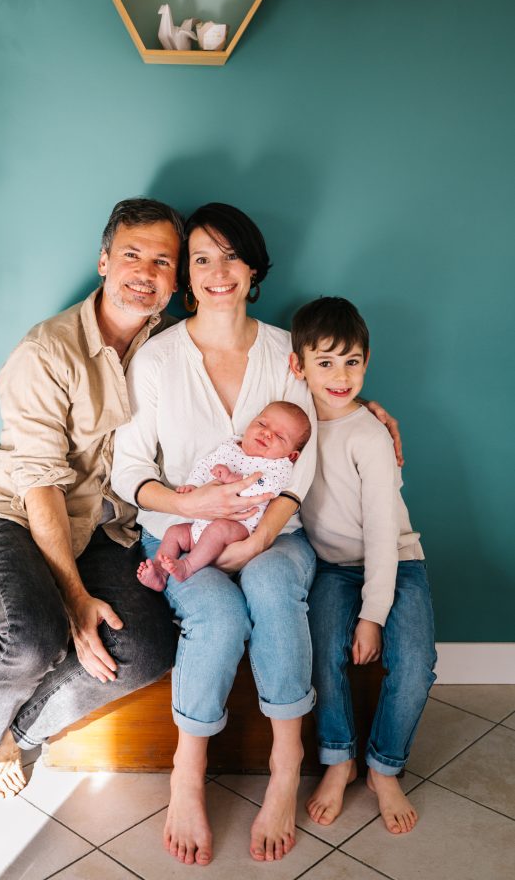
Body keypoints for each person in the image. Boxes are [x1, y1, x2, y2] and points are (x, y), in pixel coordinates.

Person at [112, 203, 402, 866]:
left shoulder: (284, 354)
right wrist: (190, 498)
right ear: (186, 273)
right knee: (213, 614)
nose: (219, 272)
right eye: (202, 259)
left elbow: (310, 444)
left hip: (278, 530)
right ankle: (187, 773)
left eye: (232, 257)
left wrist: (263, 532)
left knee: (272, 587)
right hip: (183, 529)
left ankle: (284, 760)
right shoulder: (157, 359)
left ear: (253, 269)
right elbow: (128, 469)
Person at [0, 198, 183, 837]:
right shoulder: (47, 351)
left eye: (163, 261)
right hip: (15, 517)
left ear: (176, 279)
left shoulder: (175, 345)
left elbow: (260, 364)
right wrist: (75, 598)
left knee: (149, 646)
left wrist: (355, 411)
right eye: (132, 255)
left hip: (107, 530)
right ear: (103, 261)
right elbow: (38, 485)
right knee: (36, 635)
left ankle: (17, 733)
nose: (145, 272)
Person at [289, 296, 436, 836]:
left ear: (367, 362)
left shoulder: (369, 434)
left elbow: (380, 531)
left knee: (416, 662)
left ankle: (384, 767)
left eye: (352, 361)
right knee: (322, 652)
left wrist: (373, 614)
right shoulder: (292, 425)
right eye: (324, 362)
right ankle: (338, 757)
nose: (340, 375)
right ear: (298, 365)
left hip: (396, 559)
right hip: (332, 568)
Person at [137, 401, 311, 590]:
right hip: (201, 524)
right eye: (262, 424)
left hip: (239, 527)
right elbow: (205, 465)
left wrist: (234, 478)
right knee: (174, 532)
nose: (266, 433)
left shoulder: (279, 466)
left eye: (279, 436)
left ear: (292, 455)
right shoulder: (231, 447)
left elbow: (267, 488)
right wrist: (193, 485)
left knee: (218, 529)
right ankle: (160, 571)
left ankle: (187, 566)